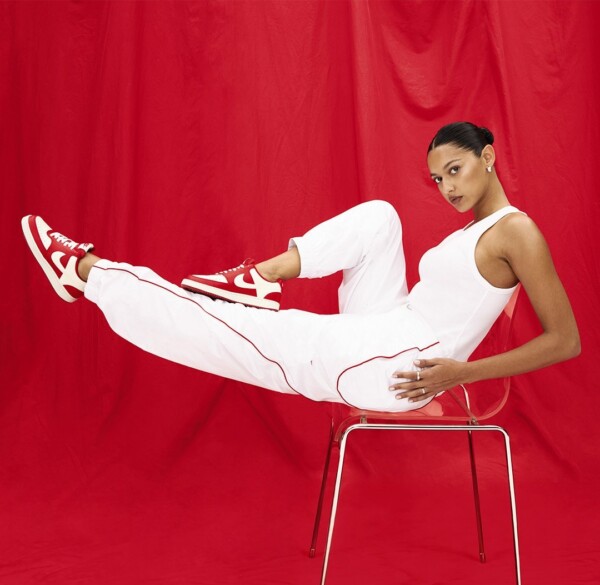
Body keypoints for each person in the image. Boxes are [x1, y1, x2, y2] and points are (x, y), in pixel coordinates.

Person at [22, 122, 580, 412]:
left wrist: (461, 373)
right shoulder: (477, 230)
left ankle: (90, 274)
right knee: (382, 219)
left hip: (401, 366)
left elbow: (565, 341)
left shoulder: (517, 230)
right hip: (392, 324)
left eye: (456, 170)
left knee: (246, 333)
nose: (448, 187)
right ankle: (260, 278)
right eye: (438, 179)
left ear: (487, 157)